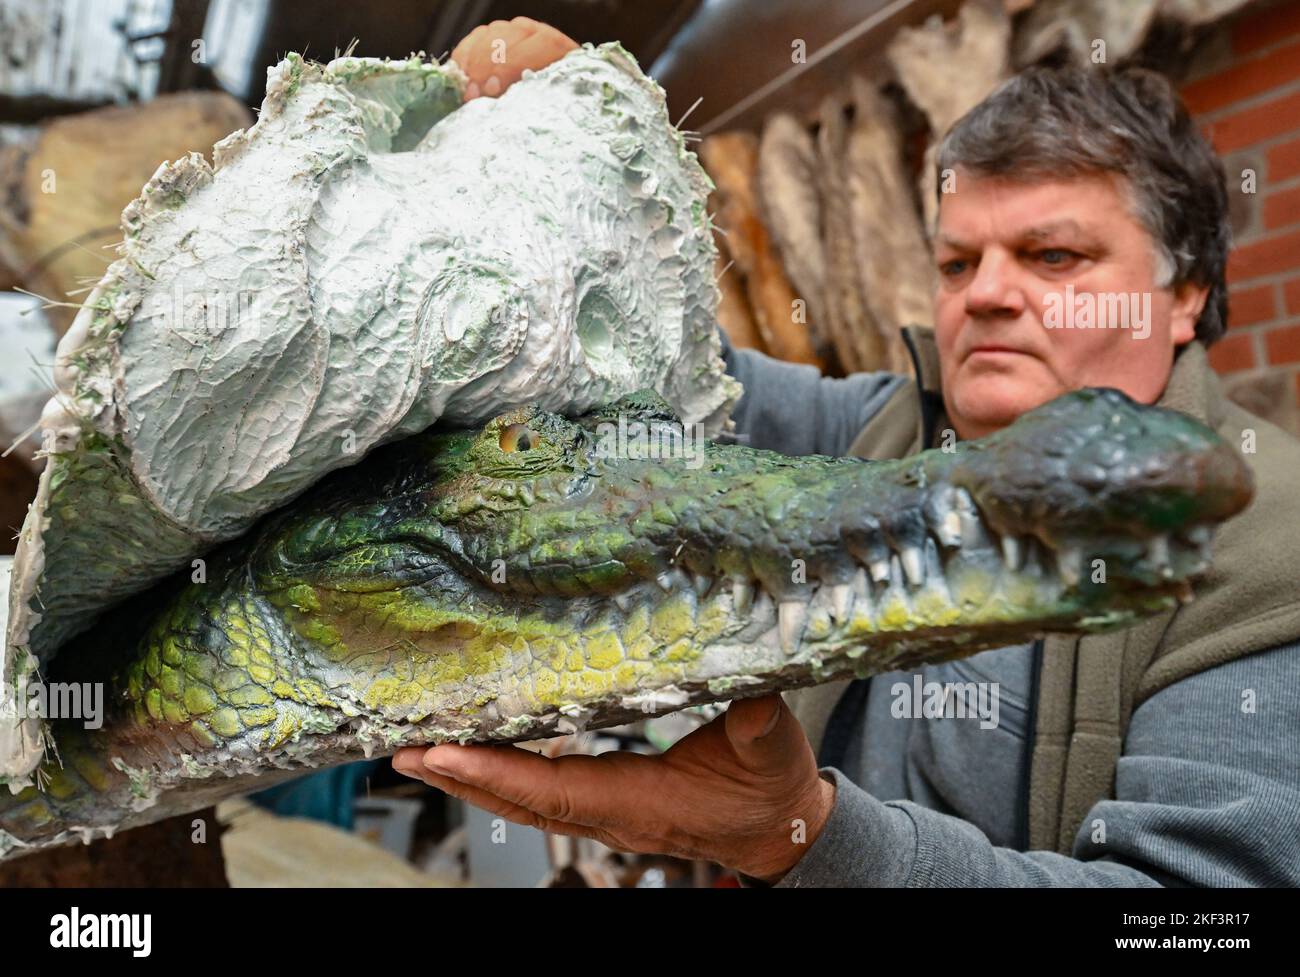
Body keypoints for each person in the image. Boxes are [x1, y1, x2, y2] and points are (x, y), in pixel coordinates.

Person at [393, 18, 1300, 886]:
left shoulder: (1267, 550)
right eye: (955, 264)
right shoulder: (878, 433)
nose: (984, 294)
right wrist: (582, 136)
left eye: (1052, 256)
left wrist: (807, 841)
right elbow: (643, 385)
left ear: (1184, 295)